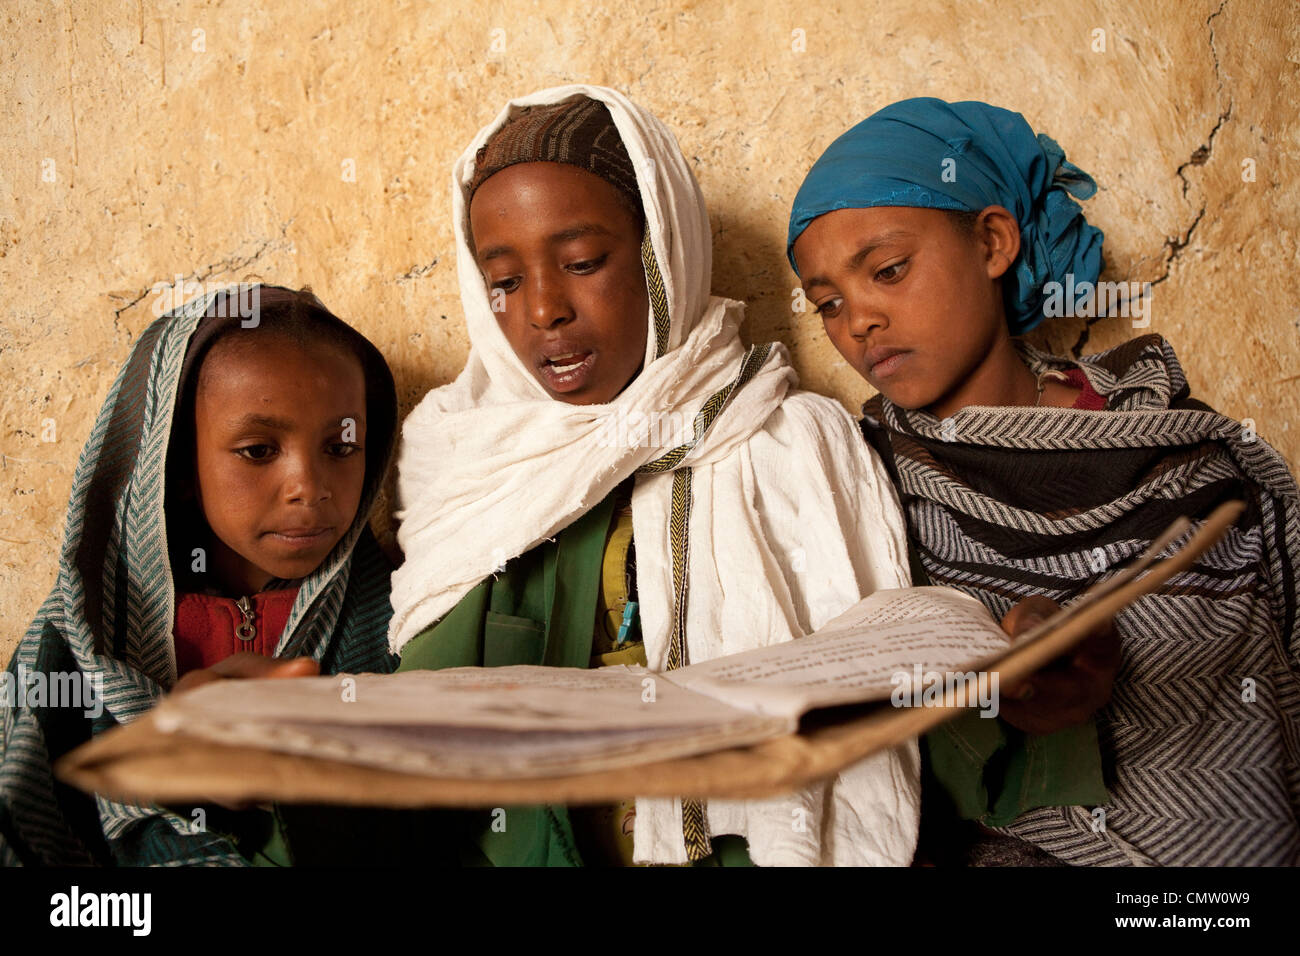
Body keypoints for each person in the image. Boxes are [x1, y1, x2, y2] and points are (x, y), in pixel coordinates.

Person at [388, 86, 918, 866]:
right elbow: (423, 731)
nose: (543, 309)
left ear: (661, 249)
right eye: (503, 281)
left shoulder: (788, 440)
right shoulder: (462, 459)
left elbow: (882, 695)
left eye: (582, 263)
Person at [787, 96, 1300, 865]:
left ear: (993, 241)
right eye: (827, 304)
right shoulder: (859, 482)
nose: (857, 320)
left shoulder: (1179, 453)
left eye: (888, 271)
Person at [0, 284, 399, 865]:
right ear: (178, 464)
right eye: (259, 450)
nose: (309, 487)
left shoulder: (394, 610)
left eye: (341, 447)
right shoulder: (81, 636)